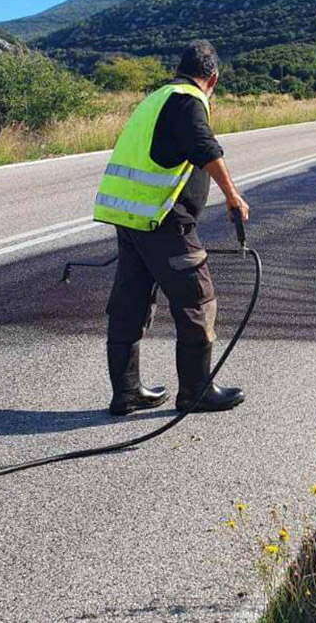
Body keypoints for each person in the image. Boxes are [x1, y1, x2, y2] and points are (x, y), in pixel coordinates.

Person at [93, 40, 250, 416]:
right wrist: (232, 196)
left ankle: (127, 392)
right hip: (162, 220)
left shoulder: (157, 97)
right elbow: (204, 146)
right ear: (212, 78)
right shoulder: (187, 99)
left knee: (130, 302)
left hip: (130, 218)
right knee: (197, 298)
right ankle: (196, 392)